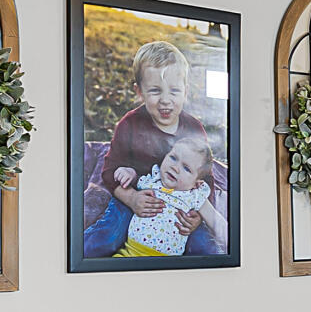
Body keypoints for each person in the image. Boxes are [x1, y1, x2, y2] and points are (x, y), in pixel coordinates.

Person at [83, 38, 222, 255]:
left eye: (174, 91)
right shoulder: (130, 124)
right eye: (155, 91)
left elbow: (206, 178)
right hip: (140, 195)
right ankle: (69, 264)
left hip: (180, 203)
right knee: (107, 235)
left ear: (186, 91)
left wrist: (196, 216)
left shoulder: (194, 129)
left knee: (204, 246)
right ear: (139, 91)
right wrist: (131, 199)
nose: (165, 100)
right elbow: (109, 170)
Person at [98, 132, 223, 261]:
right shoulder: (153, 180)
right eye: (173, 158)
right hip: (131, 253)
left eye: (186, 168)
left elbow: (216, 222)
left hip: (166, 262)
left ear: (196, 183)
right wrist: (127, 172)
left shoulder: (194, 195)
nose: (175, 168)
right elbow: (134, 178)